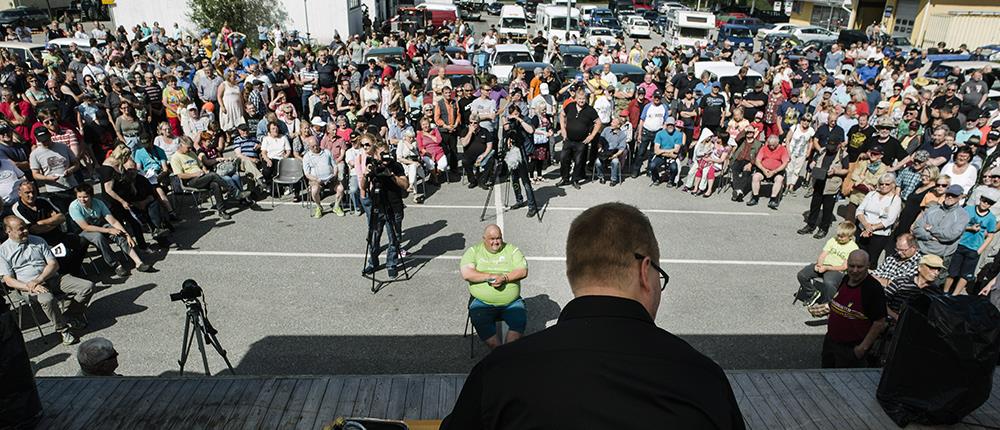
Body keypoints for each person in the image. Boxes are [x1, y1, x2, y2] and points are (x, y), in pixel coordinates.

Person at [442, 203, 744, 429]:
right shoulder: (703, 379)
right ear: (644, 270)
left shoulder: (499, 372)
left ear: (572, 273)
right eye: (658, 275)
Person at [0, 216, 94, 345]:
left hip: (51, 278)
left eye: (25, 227)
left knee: (87, 286)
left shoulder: (38, 240)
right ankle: (63, 330)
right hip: (27, 286)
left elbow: (53, 264)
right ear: (8, 231)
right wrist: (30, 286)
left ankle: (69, 315)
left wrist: (39, 279)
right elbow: (9, 280)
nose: (26, 231)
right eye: (20, 229)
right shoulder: (3, 251)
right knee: (47, 299)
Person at [808, 250, 887, 368]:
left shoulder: (873, 289)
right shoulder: (846, 279)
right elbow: (840, 299)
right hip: (831, 341)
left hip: (852, 347)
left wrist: (862, 349)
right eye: (851, 266)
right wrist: (828, 307)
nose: (855, 270)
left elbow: (879, 322)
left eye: (859, 267)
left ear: (868, 266)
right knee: (826, 375)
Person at [459, 224, 528, 349]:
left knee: (519, 324)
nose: (496, 242)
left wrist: (504, 278)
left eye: (499, 238)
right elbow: (466, 273)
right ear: (484, 239)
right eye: (492, 239)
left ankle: (505, 354)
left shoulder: (512, 250)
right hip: (482, 302)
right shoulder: (474, 251)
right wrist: (489, 276)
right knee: (489, 338)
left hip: (511, 302)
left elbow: (523, 271)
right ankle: (500, 354)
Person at [69, 184, 154, 276]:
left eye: (85, 197)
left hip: (98, 225)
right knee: (98, 237)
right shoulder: (74, 207)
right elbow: (85, 227)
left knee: (118, 232)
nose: (82, 200)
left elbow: (113, 221)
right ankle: (115, 264)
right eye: (79, 197)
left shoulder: (98, 203)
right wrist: (109, 231)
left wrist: (127, 235)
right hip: (83, 231)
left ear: (91, 196)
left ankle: (138, 262)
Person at [359, 139, 408, 279]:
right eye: (382, 154)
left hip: (394, 207)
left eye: (387, 153)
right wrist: (366, 174)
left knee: (394, 238)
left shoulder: (396, 166)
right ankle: (373, 262)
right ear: (375, 155)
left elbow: (405, 185)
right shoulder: (373, 166)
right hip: (377, 208)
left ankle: (391, 264)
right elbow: (363, 187)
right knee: (373, 238)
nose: (385, 157)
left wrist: (391, 175)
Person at [943, 188, 998, 295]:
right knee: (952, 272)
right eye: (984, 200)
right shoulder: (968, 209)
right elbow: (957, 224)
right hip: (960, 244)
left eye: (989, 202)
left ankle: (955, 295)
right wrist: (970, 228)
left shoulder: (991, 218)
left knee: (965, 275)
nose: (985, 203)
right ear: (980, 199)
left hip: (974, 249)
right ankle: (945, 292)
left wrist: (980, 250)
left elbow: (991, 235)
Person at [795, 221, 859, 306]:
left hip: (835, 270)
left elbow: (844, 267)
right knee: (802, 275)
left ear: (850, 237)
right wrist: (819, 264)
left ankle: (828, 304)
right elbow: (823, 254)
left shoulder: (853, 248)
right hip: (823, 266)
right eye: (838, 235)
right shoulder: (833, 240)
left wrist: (827, 268)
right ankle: (812, 293)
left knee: (829, 283)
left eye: (842, 237)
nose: (839, 238)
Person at [912, 184, 970, 277]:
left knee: (931, 285)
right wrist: (929, 236)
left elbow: (950, 235)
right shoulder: (932, 209)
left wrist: (931, 228)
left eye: (954, 195)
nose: (950, 197)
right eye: (948, 194)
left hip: (939, 256)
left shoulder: (962, 215)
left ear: (960, 197)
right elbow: (917, 228)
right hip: (920, 251)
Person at [798, 134, 848, 239]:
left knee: (827, 209)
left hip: (831, 185)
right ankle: (810, 225)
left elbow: (846, 170)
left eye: (833, 146)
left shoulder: (843, 155)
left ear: (839, 145)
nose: (830, 148)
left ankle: (823, 229)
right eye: (829, 145)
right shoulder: (823, 151)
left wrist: (835, 171)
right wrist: (813, 164)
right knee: (814, 206)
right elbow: (815, 161)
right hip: (819, 182)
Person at [169, 137, 233, 220]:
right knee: (213, 175)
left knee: (215, 184)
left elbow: (201, 165)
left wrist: (205, 171)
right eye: (188, 147)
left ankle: (221, 210)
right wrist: (194, 174)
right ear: (180, 146)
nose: (190, 149)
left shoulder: (191, 153)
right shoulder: (175, 158)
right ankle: (232, 190)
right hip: (190, 181)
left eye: (191, 147)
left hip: (202, 177)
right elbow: (180, 175)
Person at [855, 173, 902, 265]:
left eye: (887, 184)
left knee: (871, 260)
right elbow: (859, 210)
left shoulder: (895, 200)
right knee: (858, 256)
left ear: (893, 185)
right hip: (862, 229)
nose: (883, 186)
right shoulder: (871, 194)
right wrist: (866, 225)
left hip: (880, 234)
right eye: (881, 183)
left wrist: (871, 228)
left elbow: (890, 220)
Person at [558, 89, 600, 189]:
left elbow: (598, 122)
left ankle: (575, 180)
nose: (581, 100)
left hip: (581, 141)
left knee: (578, 161)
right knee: (564, 159)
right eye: (579, 98)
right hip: (568, 139)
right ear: (576, 98)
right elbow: (562, 115)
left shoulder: (590, 110)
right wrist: (563, 129)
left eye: (583, 99)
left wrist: (592, 136)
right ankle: (565, 178)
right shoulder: (570, 106)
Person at [302, 138, 345, 218]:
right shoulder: (306, 157)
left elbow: (334, 165)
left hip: (330, 178)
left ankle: (336, 206)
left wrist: (335, 173)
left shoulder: (327, 152)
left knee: (341, 188)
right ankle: (319, 207)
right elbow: (307, 174)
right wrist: (315, 179)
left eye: (316, 145)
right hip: (316, 180)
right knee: (314, 191)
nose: (315, 147)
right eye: (312, 146)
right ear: (309, 147)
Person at [747, 135, 788, 209]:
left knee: (779, 179)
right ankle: (755, 198)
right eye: (770, 145)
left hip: (776, 171)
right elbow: (757, 161)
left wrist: (774, 171)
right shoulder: (764, 148)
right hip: (764, 170)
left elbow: (785, 163)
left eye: (773, 145)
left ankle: (773, 199)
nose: (771, 147)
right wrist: (764, 169)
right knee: (755, 177)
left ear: (777, 143)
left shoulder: (783, 149)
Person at [647, 119, 683, 186]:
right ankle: (656, 179)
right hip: (661, 156)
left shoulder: (679, 135)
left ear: (674, 125)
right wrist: (669, 152)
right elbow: (656, 151)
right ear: (665, 125)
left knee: (674, 167)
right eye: (668, 125)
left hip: (671, 158)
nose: (670, 126)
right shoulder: (659, 134)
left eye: (672, 125)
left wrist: (662, 150)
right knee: (652, 165)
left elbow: (676, 151)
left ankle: (671, 180)